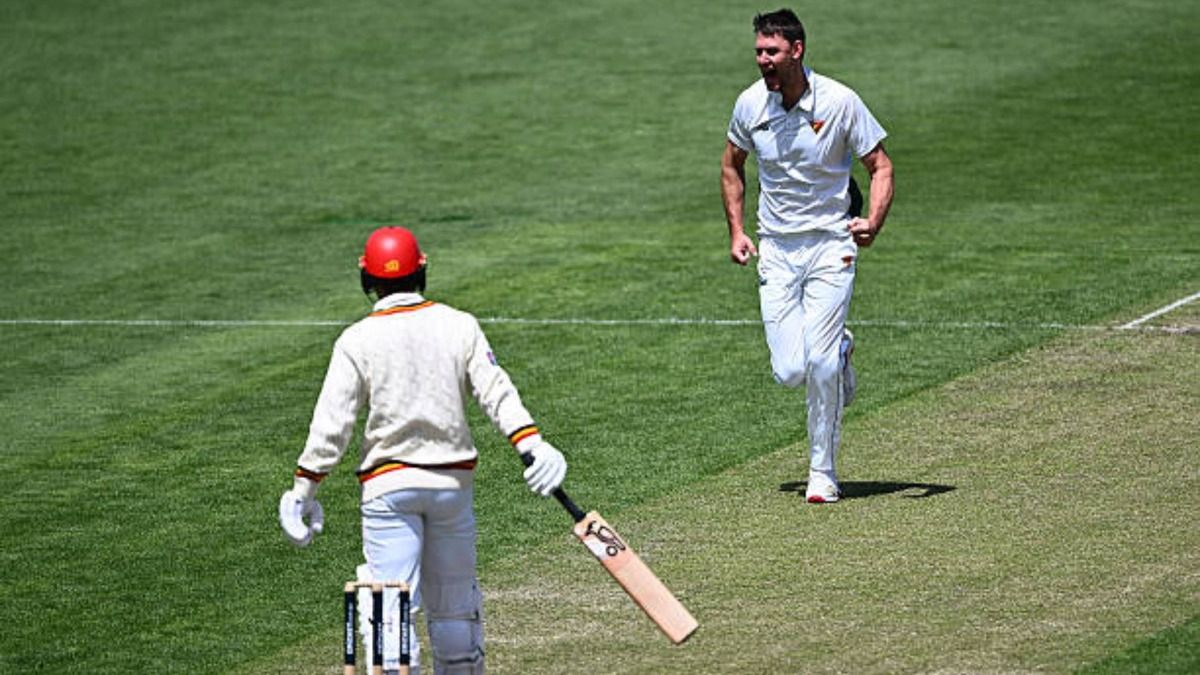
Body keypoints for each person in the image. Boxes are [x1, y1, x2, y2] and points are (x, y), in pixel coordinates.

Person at [278, 226, 567, 674]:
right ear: (422, 270)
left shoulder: (356, 340)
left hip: (387, 490)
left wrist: (304, 489)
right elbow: (496, 392)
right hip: (452, 486)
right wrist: (532, 442)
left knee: (390, 613)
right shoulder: (459, 324)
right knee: (454, 607)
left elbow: (331, 426)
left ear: (366, 277)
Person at [719, 9, 894, 503]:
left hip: (830, 246)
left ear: (796, 50)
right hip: (776, 249)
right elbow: (732, 166)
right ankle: (842, 351)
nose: (762, 61)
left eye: (771, 51)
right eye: (758, 52)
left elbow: (880, 165)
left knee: (817, 366)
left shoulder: (839, 101)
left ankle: (823, 472)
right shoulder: (750, 105)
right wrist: (736, 231)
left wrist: (873, 222)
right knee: (791, 371)